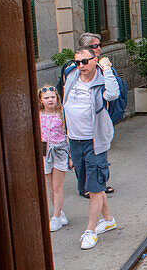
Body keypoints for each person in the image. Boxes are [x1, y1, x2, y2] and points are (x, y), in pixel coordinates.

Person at [63, 46, 118, 250]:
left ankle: (90, 230)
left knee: (94, 187)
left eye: (85, 62)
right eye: (77, 62)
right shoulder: (71, 76)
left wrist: (107, 69)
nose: (81, 66)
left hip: (94, 142)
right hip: (74, 140)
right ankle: (109, 219)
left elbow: (112, 95)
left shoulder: (102, 81)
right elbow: (65, 104)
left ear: (95, 59)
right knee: (89, 185)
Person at [38, 84, 70, 233]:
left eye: (52, 97)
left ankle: (55, 217)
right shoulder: (38, 115)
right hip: (45, 152)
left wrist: (70, 156)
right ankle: (60, 212)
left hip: (60, 151)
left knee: (57, 186)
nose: (50, 100)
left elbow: (69, 135)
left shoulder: (62, 114)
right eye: (46, 98)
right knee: (50, 186)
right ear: (40, 100)